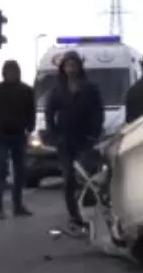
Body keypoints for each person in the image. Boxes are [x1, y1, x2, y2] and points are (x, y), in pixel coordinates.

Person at [44, 51, 105, 229]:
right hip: (65, 141)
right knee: (69, 178)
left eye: (73, 64)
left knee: (87, 178)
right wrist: (54, 136)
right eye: (67, 65)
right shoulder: (57, 90)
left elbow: (98, 112)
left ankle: (89, 212)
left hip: (85, 139)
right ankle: (74, 215)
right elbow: (49, 114)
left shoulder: (90, 88)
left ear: (79, 67)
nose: (70, 68)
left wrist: (94, 133)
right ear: (63, 68)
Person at [0, 60, 36, 218]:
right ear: (4, 73)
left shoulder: (26, 90)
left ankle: (17, 206)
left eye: (14, 71)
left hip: (19, 134)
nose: (12, 74)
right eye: (9, 71)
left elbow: (31, 110)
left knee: (20, 171)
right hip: (1, 136)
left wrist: (30, 127)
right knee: (1, 170)